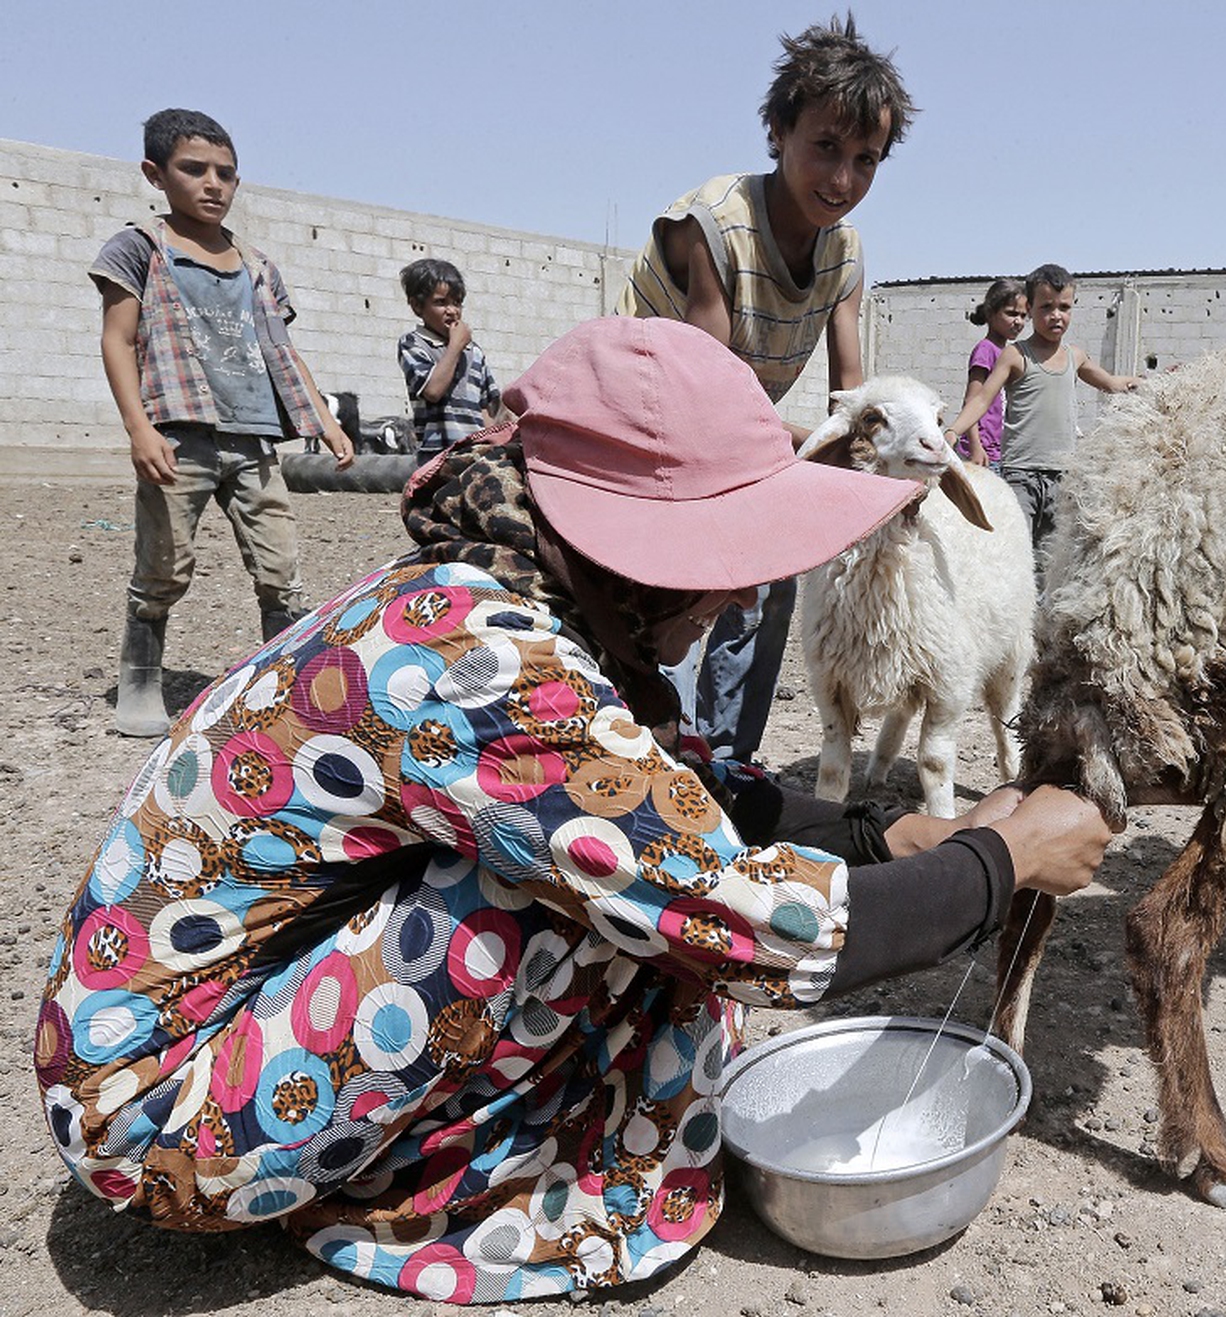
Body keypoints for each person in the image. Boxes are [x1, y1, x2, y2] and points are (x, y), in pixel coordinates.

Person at [36, 316, 1118, 1303]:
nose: (748, 593)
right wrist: (999, 860)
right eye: (730, 557)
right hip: (165, 1119)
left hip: (230, 1030)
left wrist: (882, 833)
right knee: (589, 896)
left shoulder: (491, 594)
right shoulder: (484, 669)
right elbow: (742, 920)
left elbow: (662, 784)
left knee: (619, 855)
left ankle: (449, 1144)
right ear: (634, 552)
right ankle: (410, 1198)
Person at [613, 14, 915, 764]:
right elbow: (701, 398)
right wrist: (809, 454)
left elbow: (850, 399)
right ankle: (661, 753)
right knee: (679, 585)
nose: (842, 180)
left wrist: (878, 473)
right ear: (777, 131)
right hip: (643, 424)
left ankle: (729, 763)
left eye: (866, 159)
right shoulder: (715, 225)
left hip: (732, 424)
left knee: (773, 574)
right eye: (825, 147)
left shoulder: (844, 253)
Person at [90, 108, 355, 739]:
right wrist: (139, 429)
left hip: (253, 436)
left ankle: (287, 683)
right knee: (164, 565)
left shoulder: (256, 264)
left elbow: (282, 349)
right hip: (179, 436)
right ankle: (141, 676)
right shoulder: (140, 249)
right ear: (155, 174)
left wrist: (324, 418)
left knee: (280, 568)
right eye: (194, 169)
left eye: (226, 173)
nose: (213, 184)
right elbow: (117, 339)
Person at [943, 263, 1141, 565]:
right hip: (1021, 474)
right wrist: (953, 431)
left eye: (1064, 307)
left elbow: (1112, 384)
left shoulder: (1075, 356)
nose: (1056, 315)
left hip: (1062, 477)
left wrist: (1152, 382)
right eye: (1046, 307)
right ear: (1031, 309)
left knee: (1050, 560)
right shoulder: (1016, 355)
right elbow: (981, 398)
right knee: (1015, 552)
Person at [397, 257, 503, 465]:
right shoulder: (414, 344)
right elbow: (433, 391)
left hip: (475, 455)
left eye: (457, 303)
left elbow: (486, 409)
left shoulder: (474, 352)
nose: (452, 311)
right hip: (438, 458)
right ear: (417, 306)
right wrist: (455, 346)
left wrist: (493, 448)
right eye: (441, 302)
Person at [956, 277, 1028, 468]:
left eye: (1023, 316)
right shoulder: (986, 350)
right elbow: (971, 400)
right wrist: (975, 446)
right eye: (1011, 313)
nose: (1018, 321)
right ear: (991, 312)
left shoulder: (1007, 353)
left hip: (998, 451)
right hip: (982, 452)